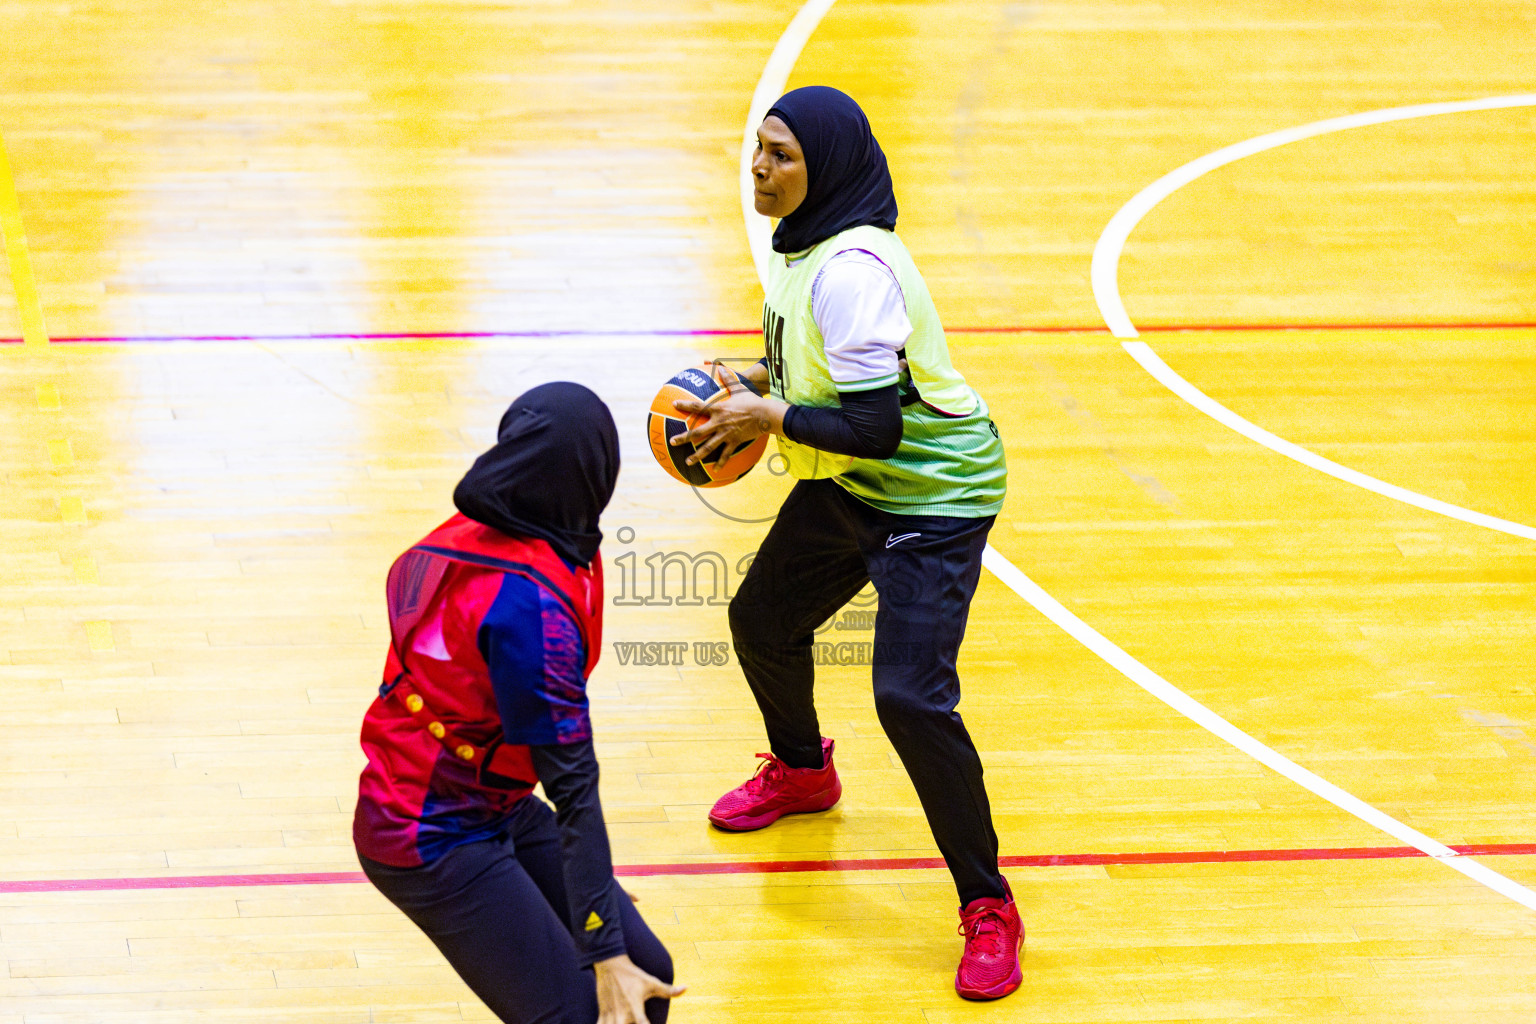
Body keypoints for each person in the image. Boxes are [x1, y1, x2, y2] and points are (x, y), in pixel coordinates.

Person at [671, 86, 1022, 1001]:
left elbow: (875, 429)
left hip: (933, 499)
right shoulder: (803, 247)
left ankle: (988, 905)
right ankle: (799, 771)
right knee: (762, 620)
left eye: (781, 155)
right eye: (757, 147)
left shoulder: (851, 268)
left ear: (822, 169)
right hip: (853, 484)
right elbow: (813, 365)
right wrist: (746, 380)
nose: (759, 166)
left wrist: (771, 411)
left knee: (909, 696)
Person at [353, 383, 684, 1024]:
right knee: (577, 1014)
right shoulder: (532, 617)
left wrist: (590, 907)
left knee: (650, 975)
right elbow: (575, 790)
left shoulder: (511, 521)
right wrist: (600, 935)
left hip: (493, 800)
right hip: (429, 829)